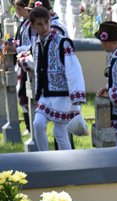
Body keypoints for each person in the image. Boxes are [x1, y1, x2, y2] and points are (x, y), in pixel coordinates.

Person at [20, 6, 85, 151]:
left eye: (46, 22)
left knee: (60, 132)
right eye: (39, 24)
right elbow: (39, 65)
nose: (44, 27)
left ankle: (67, 164)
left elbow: (73, 70)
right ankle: (45, 158)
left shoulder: (63, 43)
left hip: (62, 95)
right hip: (45, 94)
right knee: (37, 124)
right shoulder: (36, 44)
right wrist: (25, 63)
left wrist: (77, 95)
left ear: (50, 21)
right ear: (32, 25)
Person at [11, 0, 32, 133]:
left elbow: (31, 44)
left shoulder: (31, 24)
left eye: (19, 9)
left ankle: (30, 126)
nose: (17, 12)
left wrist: (18, 48)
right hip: (21, 62)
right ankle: (28, 125)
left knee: (26, 94)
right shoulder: (24, 23)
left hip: (27, 62)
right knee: (22, 94)